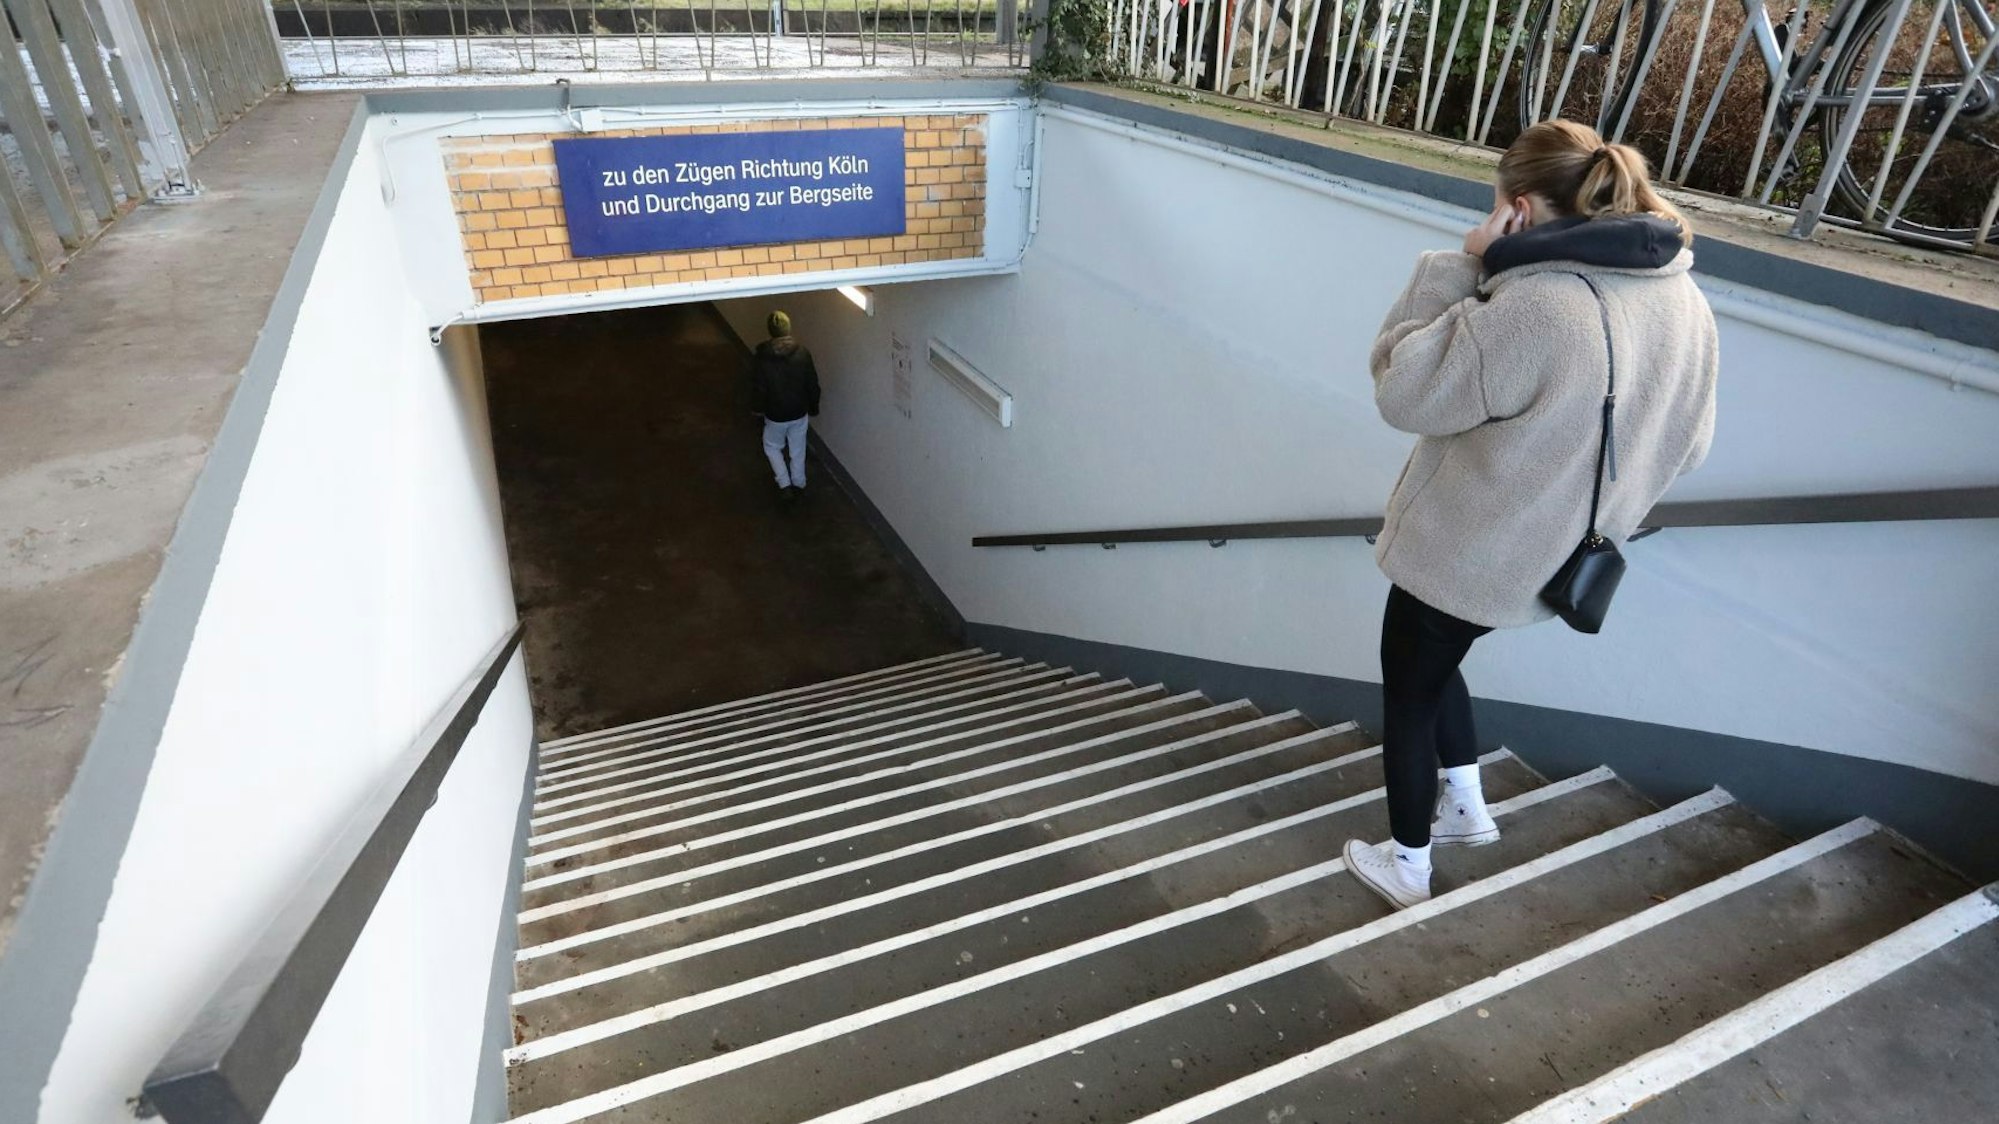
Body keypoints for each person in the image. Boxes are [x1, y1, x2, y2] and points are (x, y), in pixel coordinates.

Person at [1343, 120, 1719, 910]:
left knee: (1407, 697)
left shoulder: (1533, 306)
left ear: (1517, 206)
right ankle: (1468, 811)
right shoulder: (1681, 297)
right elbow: (1689, 446)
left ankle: (1408, 867)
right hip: (1552, 557)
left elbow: (1402, 390)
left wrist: (1460, 262)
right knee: (1438, 662)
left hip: (1465, 550)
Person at [750, 310, 821, 499]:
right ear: (788, 329)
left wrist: (757, 409)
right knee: (798, 448)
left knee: (772, 446)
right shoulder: (803, 353)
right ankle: (799, 482)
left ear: (770, 331)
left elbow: (759, 388)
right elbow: (812, 383)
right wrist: (814, 406)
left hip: (775, 414)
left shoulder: (762, 358)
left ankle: (784, 483)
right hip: (799, 411)